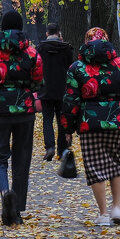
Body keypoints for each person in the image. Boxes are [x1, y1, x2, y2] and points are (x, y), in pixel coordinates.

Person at [60, 26, 120, 227]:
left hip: (89, 123)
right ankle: (117, 207)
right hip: (118, 121)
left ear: (87, 42)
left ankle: (103, 214)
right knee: (114, 162)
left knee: (95, 167)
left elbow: (70, 100)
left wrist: (67, 129)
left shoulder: (76, 68)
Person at [0, 10, 44, 226]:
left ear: (1, 27)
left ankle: (5, 192)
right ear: (21, 27)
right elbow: (38, 82)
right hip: (24, 111)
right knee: (22, 161)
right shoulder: (32, 53)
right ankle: (18, 211)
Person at [38, 23, 74, 161]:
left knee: (47, 119)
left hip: (45, 89)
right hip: (62, 89)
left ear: (47, 33)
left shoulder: (40, 48)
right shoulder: (66, 48)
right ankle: (62, 149)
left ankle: (50, 147)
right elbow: (70, 68)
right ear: (59, 33)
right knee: (61, 119)